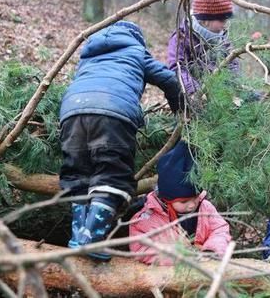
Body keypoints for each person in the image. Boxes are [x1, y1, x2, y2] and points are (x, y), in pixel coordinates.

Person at [59, 21, 182, 260]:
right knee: (112, 175)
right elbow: (168, 79)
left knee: (77, 175)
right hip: (113, 113)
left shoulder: (88, 55)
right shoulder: (136, 51)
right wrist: (180, 108)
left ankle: (78, 237)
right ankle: (91, 241)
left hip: (71, 112)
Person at [129, 140, 231, 265]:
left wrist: (212, 250)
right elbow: (140, 248)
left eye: (195, 197)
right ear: (167, 199)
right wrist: (178, 257)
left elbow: (220, 229)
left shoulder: (205, 207)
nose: (192, 204)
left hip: (206, 266)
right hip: (166, 275)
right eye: (184, 202)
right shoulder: (148, 217)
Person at [167, 0, 239, 95]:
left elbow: (232, 64)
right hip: (192, 95)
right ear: (205, 21)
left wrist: (235, 85)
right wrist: (195, 91)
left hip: (221, 95)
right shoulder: (182, 38)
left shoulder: (222, 38)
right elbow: (177, 68)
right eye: (222, 21)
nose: (225, 25)